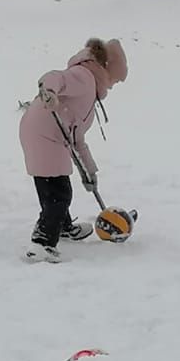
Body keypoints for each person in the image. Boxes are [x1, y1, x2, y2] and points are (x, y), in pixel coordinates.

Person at [17, 37, 128, 263]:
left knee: (51, 189)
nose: (113, 85)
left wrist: (90, 172)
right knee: (59, 193)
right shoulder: (84, 76)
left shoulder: (88, 90)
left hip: (44, 132)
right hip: (45, 133)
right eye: (115, 80)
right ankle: (42, 242)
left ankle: (62, 227)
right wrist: (48, 91)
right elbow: (55, 78)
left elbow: (77, 139)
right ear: (106, 70)